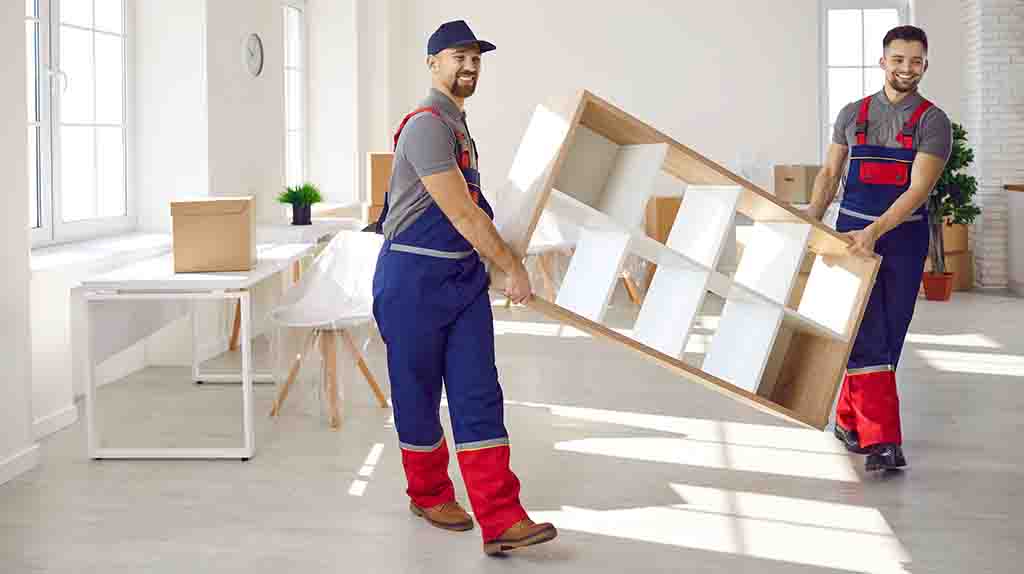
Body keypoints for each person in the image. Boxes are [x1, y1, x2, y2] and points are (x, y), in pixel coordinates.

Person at [370, 20, 557, 555]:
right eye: (459, 56)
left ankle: (501, 520)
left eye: (477, 57)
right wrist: (512, 266)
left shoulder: (459, 127)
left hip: (461, 279)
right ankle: (428, 493)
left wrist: (497, 261)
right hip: (412, 279)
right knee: (418, 394)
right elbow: (463, 214)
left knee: (478, 394)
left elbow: (472, 216)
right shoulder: (427, 126)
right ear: (433, 62)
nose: (471, 66)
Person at [807, 25, 951, 471]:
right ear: (882, 61)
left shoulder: (933, 121)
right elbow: (830, 175)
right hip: (850, 237)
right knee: (864, 332)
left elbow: (919, 188)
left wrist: (876, 231)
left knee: (888, 333)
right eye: (898, 59)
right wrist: (809, 221)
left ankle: (849, 421)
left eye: (915, 61)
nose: (906, 68)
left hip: (903, 238)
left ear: (925, 65)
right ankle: (882, 441)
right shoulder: (852, 114)